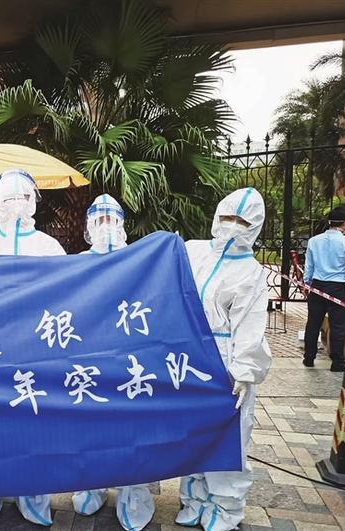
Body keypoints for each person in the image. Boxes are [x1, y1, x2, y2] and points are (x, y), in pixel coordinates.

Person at [0, 168, 65, 526]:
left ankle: (33, 496)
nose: (16, 204)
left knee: (33, 420)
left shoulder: (49, 247)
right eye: (8, 198)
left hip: (34, 348)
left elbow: (67, 292)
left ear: (33, 202)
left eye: (23, 197)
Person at [175, 187, 272, 531]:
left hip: (226, 360)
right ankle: (193, 497)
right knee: (192, 431)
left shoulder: (251, 273)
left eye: (242, 221)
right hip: (189, 357)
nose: (232, 226)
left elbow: (250, 325)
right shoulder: (193, 251)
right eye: (227, 217)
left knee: (228, 435)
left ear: (254, 227)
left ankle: (226, 506)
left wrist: (244, 370)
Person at [72, 194, 154, 531]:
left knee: (130, 428)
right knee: (90, 427)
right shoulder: (76, 262)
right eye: (99, 220)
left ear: (122, 224)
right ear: (89, 225)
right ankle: (91, 485)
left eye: (112, 219)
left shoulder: (140, 260)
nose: (106, 226)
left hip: (128, 359)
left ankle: (133, 493)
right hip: (89, 359)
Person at [303, 206, 345, 372]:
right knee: (338, 326)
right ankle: (337, 362)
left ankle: (309, 358)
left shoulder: (314, 241)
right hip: (338, 288)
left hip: (317, 286)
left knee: (313, 323)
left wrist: (307, 284)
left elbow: (309, 266)